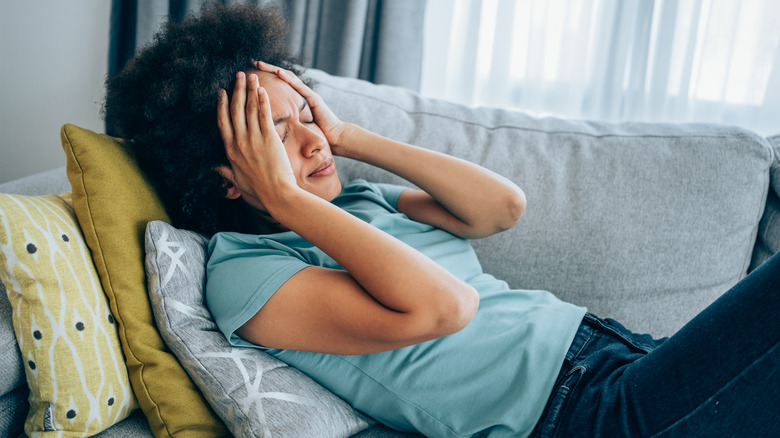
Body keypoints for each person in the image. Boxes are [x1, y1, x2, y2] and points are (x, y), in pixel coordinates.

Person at [104, 3, 780, 437]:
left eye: (306, 114)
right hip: (583, 416)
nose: (312, 142)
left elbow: (501, 207)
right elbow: (444, 307)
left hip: (620, 354)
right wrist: (285, 202)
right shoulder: (246, 277)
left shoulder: (355, 206)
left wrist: (353, 137)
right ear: (224, 177)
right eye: (279, 134)